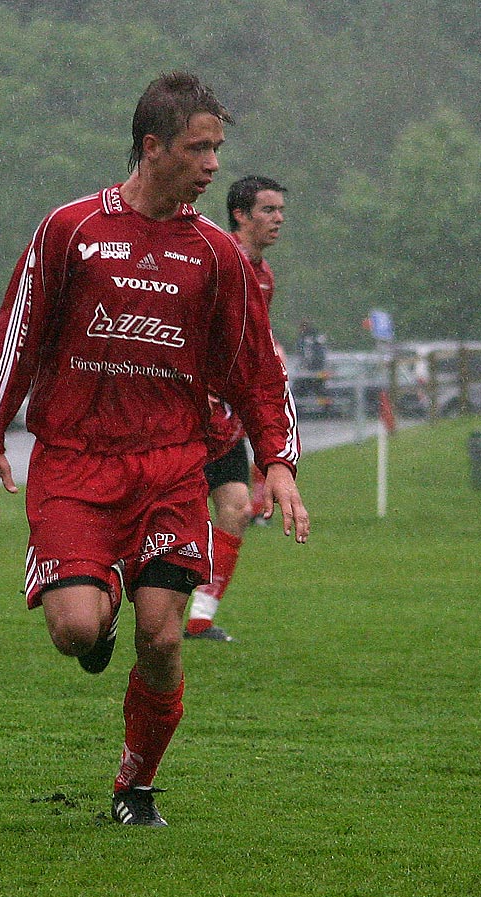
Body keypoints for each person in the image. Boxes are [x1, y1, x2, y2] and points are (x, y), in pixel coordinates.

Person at [0, 72, 309, 827]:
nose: (214, 165)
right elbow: (18, 330)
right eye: (199, 148)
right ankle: (98, 603)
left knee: (162, 635)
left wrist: (278, 459)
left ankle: (135, 787)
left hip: (168, 465)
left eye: (219, 148)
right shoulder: (73, 230)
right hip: (75, 464)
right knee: (77, 632)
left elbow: (258, 366)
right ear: (152, 149)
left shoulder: (217, 255)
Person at [185, 175, 288, 642]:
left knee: (235, 508)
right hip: (188, 416)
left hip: (228, 421)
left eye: (280, 210)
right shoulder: (217, 259)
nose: (279, 219)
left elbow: (251, 343)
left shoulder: (264, 277)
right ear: (241, 215)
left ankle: (200, 618)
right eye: (267, 210)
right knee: (168, 514)